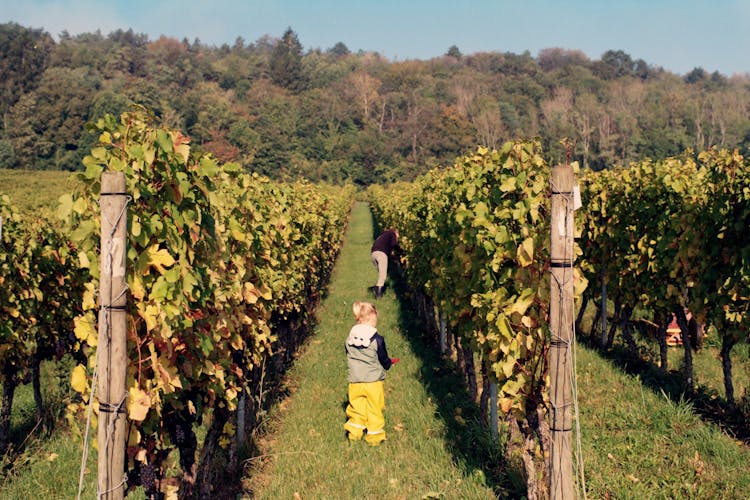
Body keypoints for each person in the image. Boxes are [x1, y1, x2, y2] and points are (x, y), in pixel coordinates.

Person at [343, 301, 399, 446]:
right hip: (373, 382)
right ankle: (374, 437)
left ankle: (354, 434)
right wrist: (388, 364)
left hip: (355, 381)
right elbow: (383, 358)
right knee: (374, 408)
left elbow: (349, 354)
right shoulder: (377, 339)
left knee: (356, 408)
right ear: (372, 317)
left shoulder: (349, 339)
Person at [370, 228, 399, 298]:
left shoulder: (383, 235)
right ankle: (378, 295)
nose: (397, 238)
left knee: (381, 273)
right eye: (398, 236)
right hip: (381, 254)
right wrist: (401, 251)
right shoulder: (392, 234)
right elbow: (394, 244)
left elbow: (387, 252)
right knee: (383, 276)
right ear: (396, 233)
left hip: (373, 254)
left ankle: (376, 289)